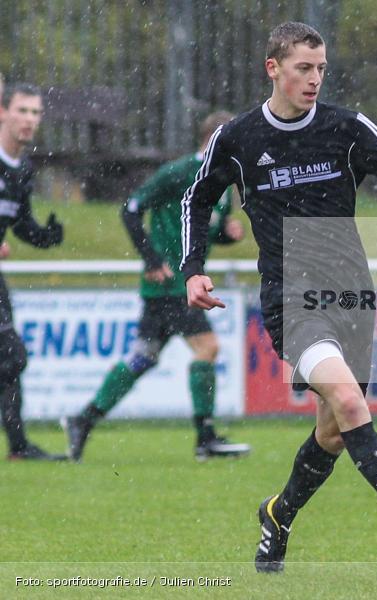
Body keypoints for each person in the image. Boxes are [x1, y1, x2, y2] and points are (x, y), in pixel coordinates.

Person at [181, 22, 377, 572]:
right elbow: (197, 200)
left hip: (353, 296)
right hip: (292, 300)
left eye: (321, 69)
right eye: (303, 69)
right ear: (273, 69)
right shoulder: (238, 139)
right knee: (353, 403)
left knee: (333, 430)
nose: (314, 80)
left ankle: (277, 515)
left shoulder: (347, 128)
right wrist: (193, 269)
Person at [62, 111, 251, 462]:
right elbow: (131, 208)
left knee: (143, 358)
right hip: (173, 285)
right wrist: (151, 259)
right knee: (207, 348)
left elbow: (203, 231)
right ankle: (206, 437)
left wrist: (226, 234)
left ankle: (83, 419)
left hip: (176, 287)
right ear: (211, 139)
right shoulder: (179, 173)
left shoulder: (223, 181)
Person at [0, 83, 66, 460]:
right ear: (4, 112)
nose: (28, 120)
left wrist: (45, 237)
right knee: (11, 355)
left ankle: (19, 447)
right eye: (22, 111)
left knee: (11, 359)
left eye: (35, 113)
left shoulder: (21, 170)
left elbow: (21, 223)